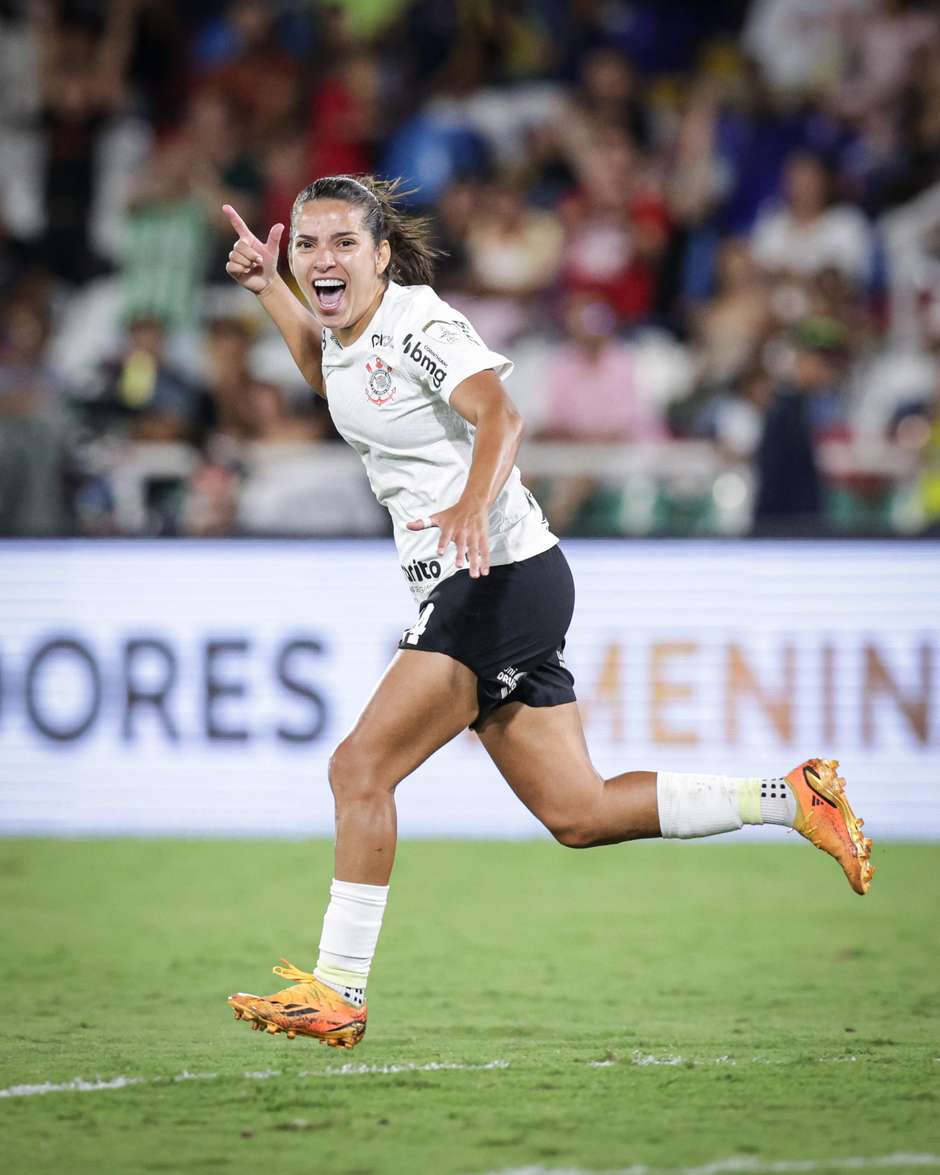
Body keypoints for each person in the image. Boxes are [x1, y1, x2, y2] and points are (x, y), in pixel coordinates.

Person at [222, 174, 874, 1050]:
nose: (323, 258)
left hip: (492, 573)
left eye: (343, 243)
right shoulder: (347, 335)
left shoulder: (419, 323)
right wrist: (270, 291)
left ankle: (338, 989)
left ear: (381, 255)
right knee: (581, 813)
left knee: (358, 770)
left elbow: (501, 413)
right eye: (307, 245)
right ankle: (793, 796)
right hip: (501, 579)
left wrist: (470, 505)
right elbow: (322, 370)